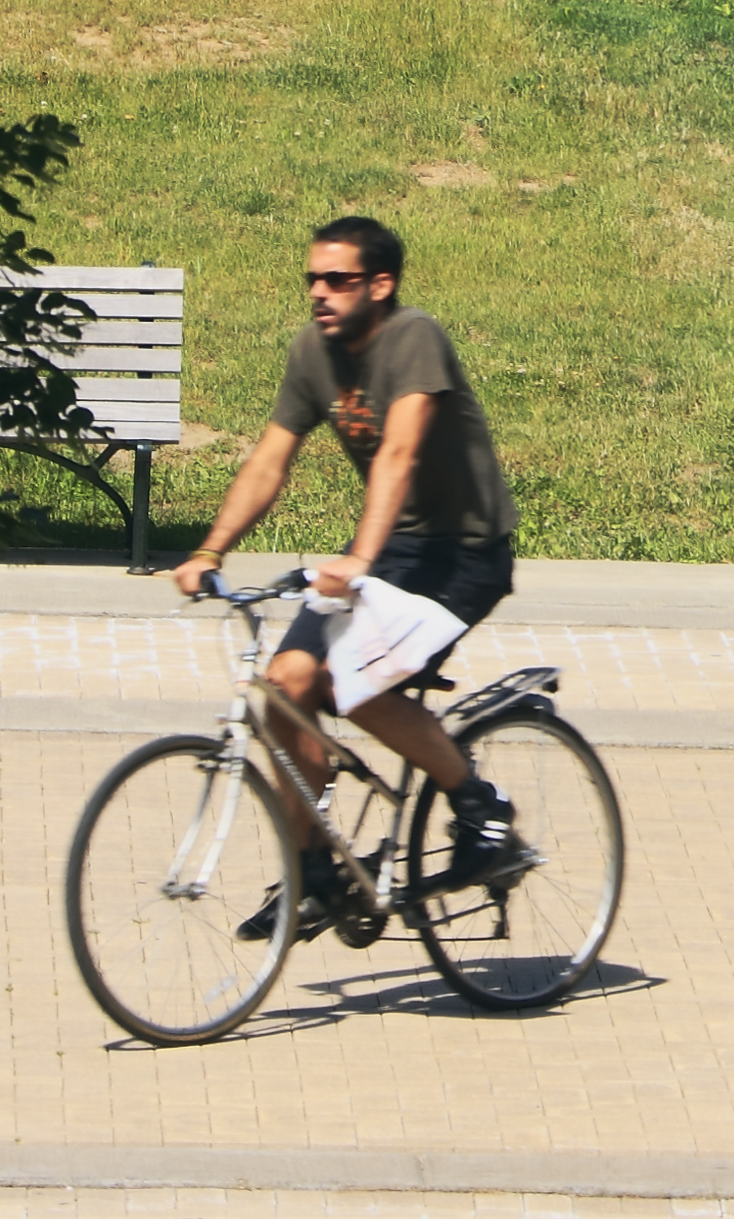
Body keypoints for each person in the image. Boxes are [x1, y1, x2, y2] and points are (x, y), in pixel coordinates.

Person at [169, 214, 531, 941]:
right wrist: (210, 550)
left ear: (380, 283)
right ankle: (315, 873)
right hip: (390, 547)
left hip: (462, 552)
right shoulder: (314, 352)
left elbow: (398, 452)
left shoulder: (413, 338)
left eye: (336, 279)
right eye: (312, 279)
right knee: (286, 684)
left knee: (353, 683)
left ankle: (480, 808)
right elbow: (270, 460)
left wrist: (359, 559)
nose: (319, 293)